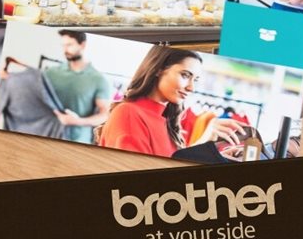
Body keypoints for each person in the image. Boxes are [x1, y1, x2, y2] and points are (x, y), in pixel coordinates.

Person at [98, 45, 244, 157]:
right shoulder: (129, 113)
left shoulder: (167, 121)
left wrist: (212, 156)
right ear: (158, 69)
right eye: (185, 75)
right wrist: (202, 144)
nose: (191, 88)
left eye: (195, 80)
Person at [43, 30, 111, 144]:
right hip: (47, 136)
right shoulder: (51, 73)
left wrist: (77, 121)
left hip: (77, 141)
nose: (65, 50)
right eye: (63, 45)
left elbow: (104, 115)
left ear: (82, 45)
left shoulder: (98, 79)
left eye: (69, 45)